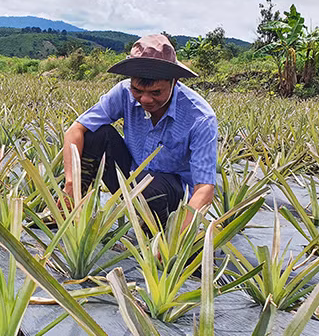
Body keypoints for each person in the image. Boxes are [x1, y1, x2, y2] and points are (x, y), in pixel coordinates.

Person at [62, 34, 217, 228]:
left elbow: (205, 188)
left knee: (150, 187)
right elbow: (75, 130)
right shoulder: (124, 92)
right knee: (95, 135)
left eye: (156, 93)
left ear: (174, 82)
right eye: (138, 90)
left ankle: (157, 229)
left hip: (169, 192)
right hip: (131, 178)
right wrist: (70, 184)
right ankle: (72, 206)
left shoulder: (200, 117)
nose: (145, 100)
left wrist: (178, 238)